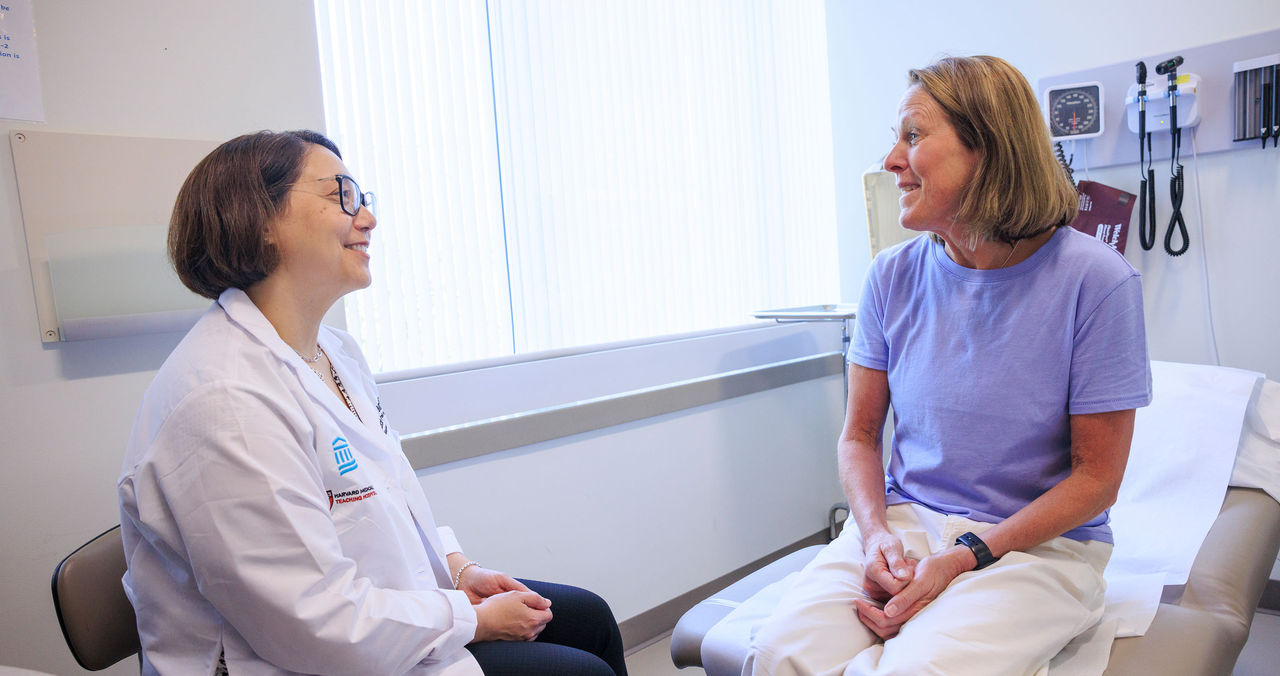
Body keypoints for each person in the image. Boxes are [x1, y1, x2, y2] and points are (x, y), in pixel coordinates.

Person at [118, 130, 627, 676]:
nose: (367, 218)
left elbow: (388, 496)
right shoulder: (225, 400)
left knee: (589, 619)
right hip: (296, 658)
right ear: (261, 221)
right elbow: (313, 623)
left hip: (380, 614)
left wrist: (456, 571)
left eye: (363, 198)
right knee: (580, 671)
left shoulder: (335, 352)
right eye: (341, 194)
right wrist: (473, 620)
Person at [743, 56, 1152, 675]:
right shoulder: (891, 276)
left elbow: (1096, 479)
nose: (889, 161)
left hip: (1036, 549)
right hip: (906, 525)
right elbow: (858, 435)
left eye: (912, 136)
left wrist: (962, 556)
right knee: (777, 656)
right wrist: (876, 534)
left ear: (986, 148)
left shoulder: (1096, 282)